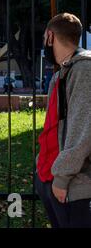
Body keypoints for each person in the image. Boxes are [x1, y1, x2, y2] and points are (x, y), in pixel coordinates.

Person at [35, 12, 91, 228]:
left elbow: (83, 128)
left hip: (73, 186)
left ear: (50, 36)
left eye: (44, 39)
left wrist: (62, 176)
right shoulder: (63, 72)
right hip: (51, 177)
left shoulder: (84, 70)